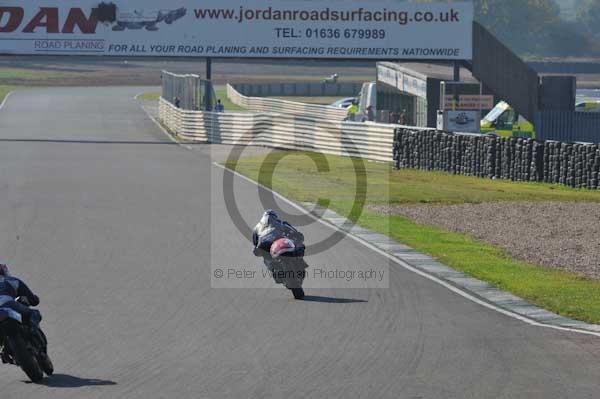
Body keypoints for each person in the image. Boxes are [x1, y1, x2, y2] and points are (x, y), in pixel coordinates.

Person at [0, 264, 45, 364]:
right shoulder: (11, 280)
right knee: (33, 313)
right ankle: (33, 330)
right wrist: (34, 299)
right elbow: (33, 300)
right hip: (8, 304)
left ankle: (2, 350)